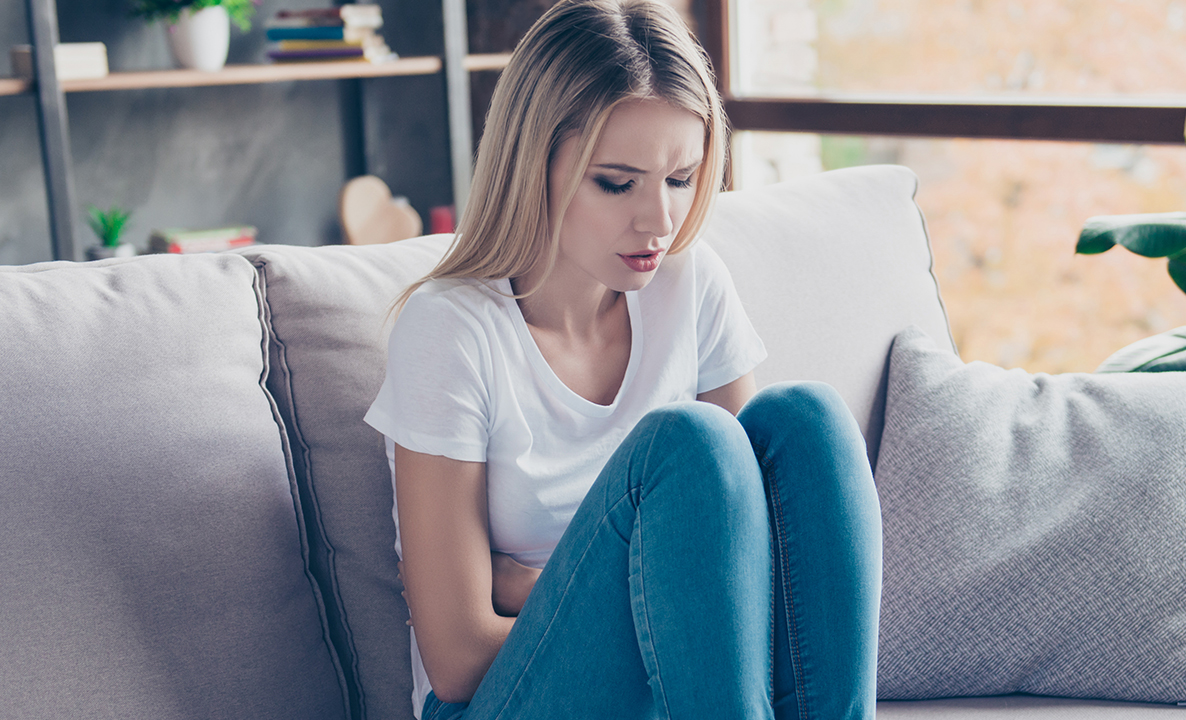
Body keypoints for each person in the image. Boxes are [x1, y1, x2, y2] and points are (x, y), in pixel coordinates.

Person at [362, 0, 882, 718]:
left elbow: (749, 573)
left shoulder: (689, 284)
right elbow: (456, 660)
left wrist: (526, 581)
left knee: (807, 419)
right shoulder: (450, 330)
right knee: (688, 443)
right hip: (506, 702)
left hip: (686, 683)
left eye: (679, 179)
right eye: (617, 182)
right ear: (532, 163)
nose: (659, 222)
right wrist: (644, 582)